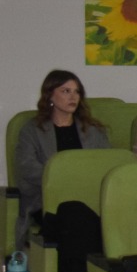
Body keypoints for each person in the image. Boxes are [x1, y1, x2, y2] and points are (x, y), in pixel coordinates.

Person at [14, 70, 110, 261]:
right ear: (50, 95)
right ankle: (78, 268)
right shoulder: (32, 130)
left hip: (90, 198)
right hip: (48, 201)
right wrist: (64, 182)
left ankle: (99, 269)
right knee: (73, 213)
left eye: (76, 91)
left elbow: (107, 164)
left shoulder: (93, 131)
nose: (73, 97)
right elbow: (27, 168)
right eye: (66, 91)